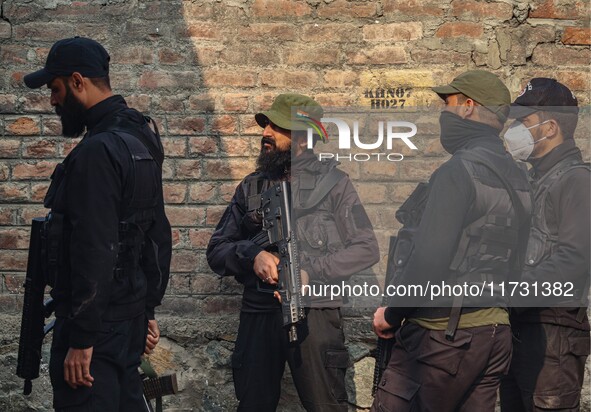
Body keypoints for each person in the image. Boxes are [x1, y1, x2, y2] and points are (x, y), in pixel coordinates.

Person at [24, 37, 172, 411]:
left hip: (96, 333)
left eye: (55, 90)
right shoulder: (142, 135)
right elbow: (157, 232)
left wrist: (81, 339)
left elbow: (96, 247)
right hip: (129, 321)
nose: (53, 101)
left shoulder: (97, 152)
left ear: (78, 81)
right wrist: (147, 311)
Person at [206, 93, 379, 411]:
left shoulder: (336, 186)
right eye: (266, 125)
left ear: (302, 138)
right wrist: (252, 256)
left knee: (325, 406)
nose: (265, 133)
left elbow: (366, 249)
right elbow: (217, 250)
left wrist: (309, 271)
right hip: (259, 314)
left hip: (315, 315)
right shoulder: (251, 186)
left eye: (276, 127)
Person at [371, 70, 532, 412]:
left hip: (443, 337)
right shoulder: (519, 177)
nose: (444, 111)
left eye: (448, 103)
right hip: (495, 335)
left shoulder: (458, 171)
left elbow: (429, 257)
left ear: (468, 107)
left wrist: (393, 313)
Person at [500, 78, 590, 411]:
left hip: (553, 339)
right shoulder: (534, 179)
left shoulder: (576, 180)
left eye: (524, 122)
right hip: (523, 332)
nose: (514, 130)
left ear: (550, 127)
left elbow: (574, 259)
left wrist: (512, 293)